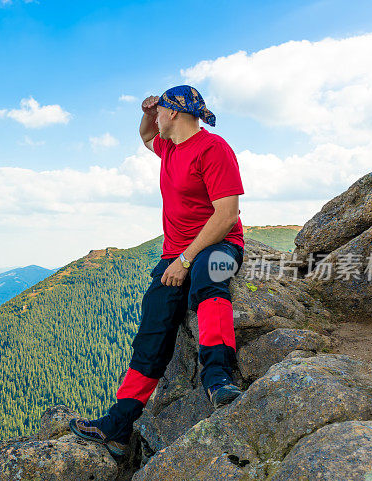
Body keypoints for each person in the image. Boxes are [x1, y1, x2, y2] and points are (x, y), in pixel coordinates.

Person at [69, 85, 246, 458]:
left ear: (175, 114)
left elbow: (227, 215)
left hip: (220, 245)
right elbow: (146, 134)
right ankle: (118, 425)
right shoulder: (169, 148)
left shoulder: (214, 149)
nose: (157, 118)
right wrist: (147, 111)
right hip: (174, 254)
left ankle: (218, 378)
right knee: (153, 327)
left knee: (209, 281)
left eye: (161, 110)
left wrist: (185, 261)